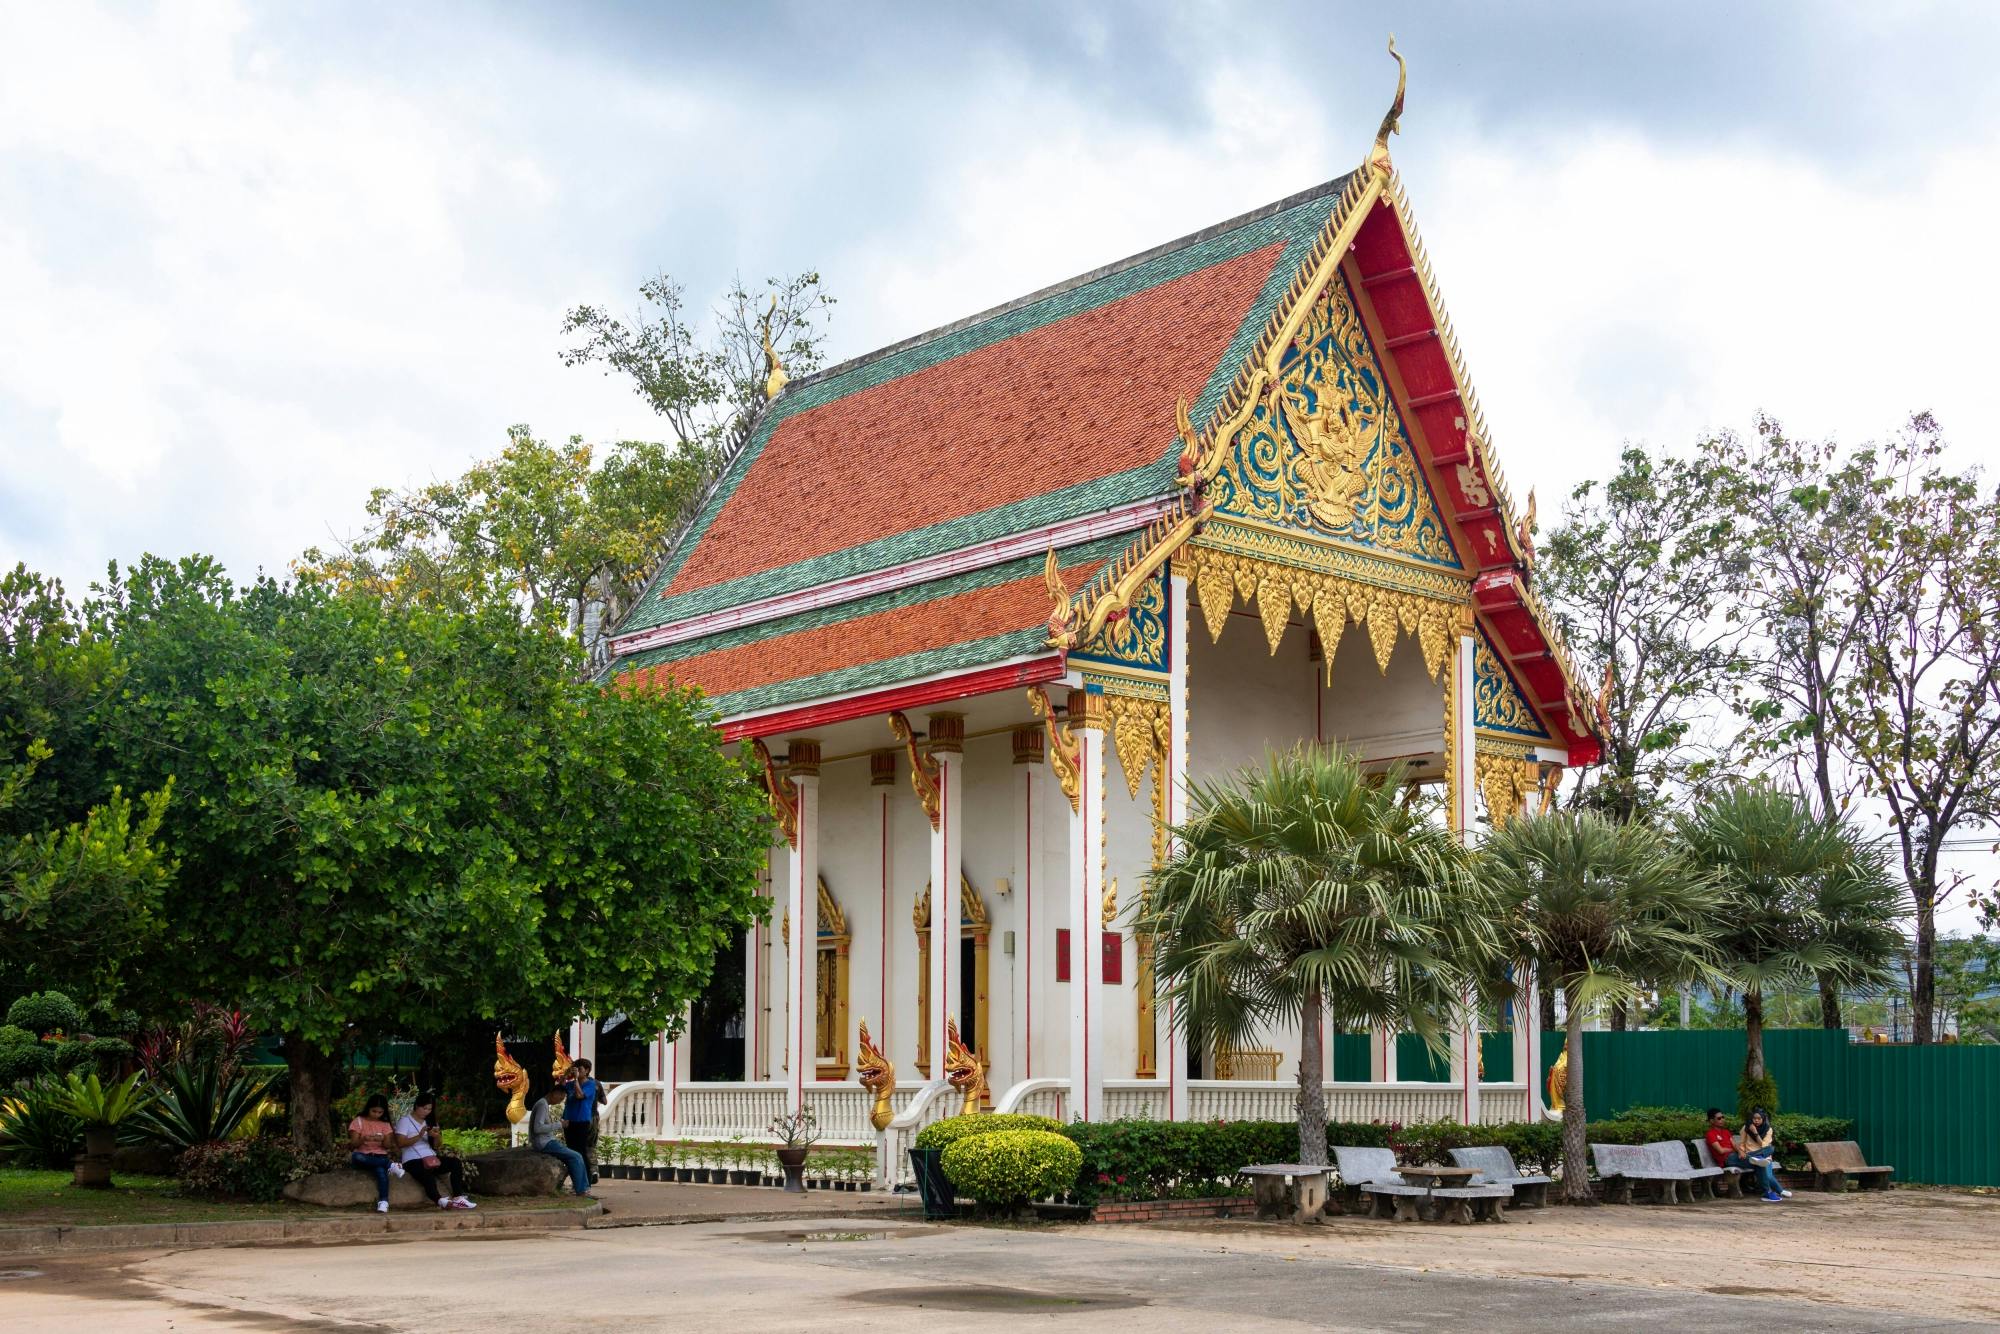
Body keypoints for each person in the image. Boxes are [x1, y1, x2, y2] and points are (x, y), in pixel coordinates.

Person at [393, 1091, 476, 1210]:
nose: (427, 1112)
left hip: (431, 1158)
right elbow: (400, 1143)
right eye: (424, 1108)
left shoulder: (430, 1121)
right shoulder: (405, 1121)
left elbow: (437, 1146)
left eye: (429, 1109)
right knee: (427, 1175)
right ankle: (440, 1200)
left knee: (455, 1163)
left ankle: (458, 1198)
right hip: (412, 1160)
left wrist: (436, 1136)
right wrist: (420, 1135)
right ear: (417, 1106)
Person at [531, 1083, 593, 1199]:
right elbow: (538, 1128)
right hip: (544, 1143)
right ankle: (582, 1190)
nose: (560, 1102)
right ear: (555, 1093)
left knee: (575, 1156)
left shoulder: (543, 1103)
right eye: (560, 1098)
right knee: (576, 1156)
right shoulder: (542, 1105)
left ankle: (583, 1188)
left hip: (547, 1141)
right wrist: (560, 1124)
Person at [347, 1092, 397, 1213]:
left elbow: (388, 1146)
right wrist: (364, 1139)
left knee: (381, 1172)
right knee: (356, 1156)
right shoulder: (358, 1121)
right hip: (363, 1155)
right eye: (374, 1111)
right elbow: (352, 1145)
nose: (377, 1114)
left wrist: (383, 1140)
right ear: (368, 1108)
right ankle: (390, 1165)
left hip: (379, 1156)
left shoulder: (385, 1124)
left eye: (380, 1112)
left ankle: (383, 1202)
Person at [560, 1058, 602, 1183]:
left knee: (581, 1151)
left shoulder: (590, 1084)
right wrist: (565, 1076)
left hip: (582, 1121)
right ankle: (576, 1181)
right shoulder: (571, 1084)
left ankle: (586, 1181)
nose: (577, 1071)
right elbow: (559, 1089)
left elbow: (580, 1095)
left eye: (580, 1069)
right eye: (576, 1069)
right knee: (570, 1151)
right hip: (569, 1120)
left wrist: (576, 1079)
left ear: (587, 1070)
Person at [1739, 1106, 1792, 1201]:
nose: (1756, 1121)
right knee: (1764, 1166)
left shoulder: (1768, 1129)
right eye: (1754, 1118)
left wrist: (1755, 1132)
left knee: (1770, 1149)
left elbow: (1763, 1146)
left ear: (1763, 1119)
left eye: (1759, 1118)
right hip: (1751, 1155)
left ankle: (1759, 1157)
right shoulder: (1746, 1127)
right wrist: (1742, 1150)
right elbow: (1742, 1143)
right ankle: (1780, 1191)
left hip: (1763, 1155)